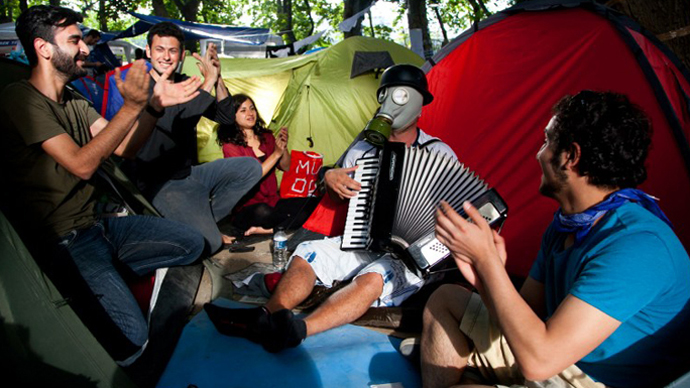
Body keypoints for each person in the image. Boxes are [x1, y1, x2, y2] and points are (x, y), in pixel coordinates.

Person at [419, 91, 690, 388]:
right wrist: (487, 273)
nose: (539, 153)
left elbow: (539, 362)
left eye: (547, 141)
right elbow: (527, 313)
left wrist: (487, 262)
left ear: (570, 157)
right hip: (553, 353)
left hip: (594, 380)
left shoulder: (636, 245)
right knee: (445, 299)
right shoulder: (566, 223)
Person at [0, 4, 205, 369]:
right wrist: (131, 107)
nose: (86, 48)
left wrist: (153, 109)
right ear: (44, 48)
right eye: (75, 40)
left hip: (100, 227)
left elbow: (124, 149)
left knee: (191, 244)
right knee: (133, 342)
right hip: (65, 242)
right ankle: (95, 288)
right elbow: (81, 165)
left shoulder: (75, 100)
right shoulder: (20, 99)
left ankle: (111, 279)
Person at [204, 64, 458, 353]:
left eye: (400, 97)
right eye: (386, 96)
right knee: (307, 253)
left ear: (419, 107)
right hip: (363, 240)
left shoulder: (439, 153)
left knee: (374, 276)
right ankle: (268, 316)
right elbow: (333, 196)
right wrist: (328, 177)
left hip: (408, 254)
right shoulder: (363, 150)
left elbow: (453, 215)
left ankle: (299, 330)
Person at [123, 22, 262, 254]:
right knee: (210, 244)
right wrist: (206, 83)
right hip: (161, 184)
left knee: (250, 167)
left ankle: (199, 220)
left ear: (182, 55)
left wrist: (217, 78)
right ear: (148, 52)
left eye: (172, 51)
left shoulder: (184, 82)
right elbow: (172, 120)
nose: (166, 57)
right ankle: (191, 225)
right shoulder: (139, 86)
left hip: (190, 175)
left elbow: (226, 117)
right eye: (160, 49)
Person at [217, 93, 318, 236]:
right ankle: (286, 223)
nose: (250, 113)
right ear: (233, 116)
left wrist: (283, 147)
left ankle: (267, 230)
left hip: (273, 201)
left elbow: (286, 167)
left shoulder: (266, 137)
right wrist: (276, 154)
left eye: (252, 108)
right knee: (263, 211)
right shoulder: (230, 147)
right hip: (248, 208)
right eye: (243, 110)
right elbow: (250, 177)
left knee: (315, 204)